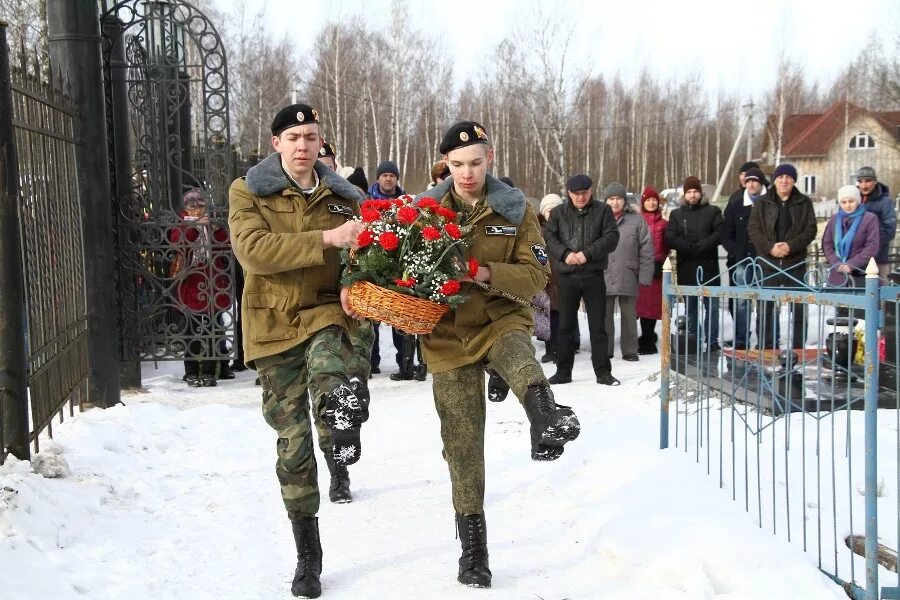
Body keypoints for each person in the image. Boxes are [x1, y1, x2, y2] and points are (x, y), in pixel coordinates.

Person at [395, 121, 580, 588]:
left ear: (490, 157)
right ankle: (473, 548)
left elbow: (535, 276)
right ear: (445, 165)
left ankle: (544, 416)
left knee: (517, 351)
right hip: (445, 333)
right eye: (457, 165)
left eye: (475, 162)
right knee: (461, 441)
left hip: (499, 316)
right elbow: (399, 271)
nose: (467, 173)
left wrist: (480, 270)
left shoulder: (517, 210)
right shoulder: (425, 211)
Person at [229, 102, 369, 599]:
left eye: (311, 136)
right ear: (277, 144)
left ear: (320, 142)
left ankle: (343, 420)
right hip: (272, 324)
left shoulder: (343, 194)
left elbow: (364, 254)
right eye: (294, 138)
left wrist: (353, 279)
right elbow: (254, 251)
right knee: (292, 444)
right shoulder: (248, 191)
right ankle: (308, 552)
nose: (304, 146)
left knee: (332, 363)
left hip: (326, 311)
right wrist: (328, 238)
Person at [545, 174, 621, 385]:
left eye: (585, 193)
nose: (581, 197)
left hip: (593, 275)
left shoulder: (603, 210)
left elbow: (611, 237)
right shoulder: (558, 213)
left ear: (591, 190)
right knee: (566, 326)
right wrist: (565, 254)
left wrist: (588, 253)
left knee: (598, 326)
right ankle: (563, 371)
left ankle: (603, 372)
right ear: (568, 193)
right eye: (576, 194)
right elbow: (549, 237)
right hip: (567, 277)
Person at [747, 163, 817, 350]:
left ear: (794, 180)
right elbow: (754, 229)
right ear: (774, 180)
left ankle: (798, 348)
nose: (784, 181)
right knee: (766, 308)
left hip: (795, 262)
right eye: (780, 177)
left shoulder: (804, 202)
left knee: (799, 308)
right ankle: (767, 346)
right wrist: (770, 247)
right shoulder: (762, 202)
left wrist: (790, 246)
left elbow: (810, 230)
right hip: (768, 262)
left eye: (788, 177)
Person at [169, 188, 233, 386]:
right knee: (192, 329)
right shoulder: (181, 224)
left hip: (214, 283)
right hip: (192, 284)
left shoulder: (214, 222)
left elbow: (224, 244)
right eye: (192, 205)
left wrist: (212, 227)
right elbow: (177, 242)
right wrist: (195, 226)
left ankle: (215, 369)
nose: (197, 209)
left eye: (201, 204)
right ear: (185, 207)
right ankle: (191, 371)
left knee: (216, 328)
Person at [664, 176, 723, 351]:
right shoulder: (676, 214)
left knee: (712, 307)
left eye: (695, 191)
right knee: (691, 308)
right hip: (687, 266)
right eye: (689, 192)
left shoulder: (713, 211)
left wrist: (702, 246)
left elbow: (719, 233)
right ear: (684, 194)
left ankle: (712, 342)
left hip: (709, 266)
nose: (692, 195)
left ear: (701, 193)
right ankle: (694, 339)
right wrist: (689, 247)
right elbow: (670, 236)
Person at [602, 182, 654, 360]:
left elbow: (646, 249)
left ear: (625, 200)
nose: (615, 202)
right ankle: (606, 350)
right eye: (611, 199)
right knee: (605, 317)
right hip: (604, 274)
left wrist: (645, 276)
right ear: (606, 201)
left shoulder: (637, 220)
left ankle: (630, 350)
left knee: (629, 315)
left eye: (619, 198)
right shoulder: (599, 219)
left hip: (628, 273)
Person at [721, 167, 767, 349]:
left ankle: (766, 340)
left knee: (766, 301)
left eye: (754, 180)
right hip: (742, 260)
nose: (751, 184)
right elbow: (726, 233)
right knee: (741, 302)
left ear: (761, 182)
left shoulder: (770, 203)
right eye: (748, 181)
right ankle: (741, 340)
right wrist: (736, 251)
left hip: (765, 261)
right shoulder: (736, 204)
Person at [822, 185, 880, 288]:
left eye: (851, 201)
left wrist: (852, 264)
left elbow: (872, 246)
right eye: (844, 202)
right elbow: (827, 243)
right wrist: (837, 263)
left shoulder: (869, 219)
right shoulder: (834, 219)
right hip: (838, 271)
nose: (847, 205)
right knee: (839, 301)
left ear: (858, 201)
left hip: (862, 271)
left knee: (860, 302)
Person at [636, 186, 669, 355]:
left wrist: (663, 258)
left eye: (654, 199)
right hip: (640, 268)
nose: (651, 202)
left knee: (652, 307)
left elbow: (668, 245)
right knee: (640, 306)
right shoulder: (637, 221)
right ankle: (644, 338)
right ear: (643, 203)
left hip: (656, 269)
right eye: (648, 200)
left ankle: (648, 340)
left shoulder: (664, 223)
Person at [538, 193, 565, 362]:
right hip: (546, 281)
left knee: (562, 317)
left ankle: (561, 349)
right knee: (548, 318)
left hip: (563, 280)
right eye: (549, 211)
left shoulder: (566, 230)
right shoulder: (538, 231)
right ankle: (549, 349)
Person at [856, 166, 896, 278]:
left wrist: (871, 247)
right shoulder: (853, 200)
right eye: (860, 181)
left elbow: (890, 230)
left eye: (867, 181)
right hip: (855, 259)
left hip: (878, 259)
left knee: (880, 292)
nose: (864, 185)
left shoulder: (885, 202)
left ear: (875, 181)